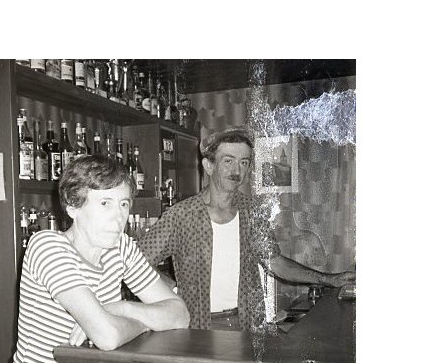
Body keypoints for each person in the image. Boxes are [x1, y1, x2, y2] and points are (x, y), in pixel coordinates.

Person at [0, 154, 189, 363]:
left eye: (124, 204)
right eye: (105, 203)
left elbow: (180, 314)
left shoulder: (121, 248)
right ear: (73, 206)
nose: (119, 218)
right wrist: (144, 322)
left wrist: (120, 308)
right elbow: (107, 336)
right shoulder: (47, 247)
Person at [138, 128, 355, 332]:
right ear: (209, 166)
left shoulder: (251, 211)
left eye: (243, 162)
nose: (236, 171)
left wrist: (328, 279)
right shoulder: (181, 215)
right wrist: (172, 289)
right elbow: (136, 261)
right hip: (198, 327)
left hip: (247, 324)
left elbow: (275, 262)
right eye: (228, 161)